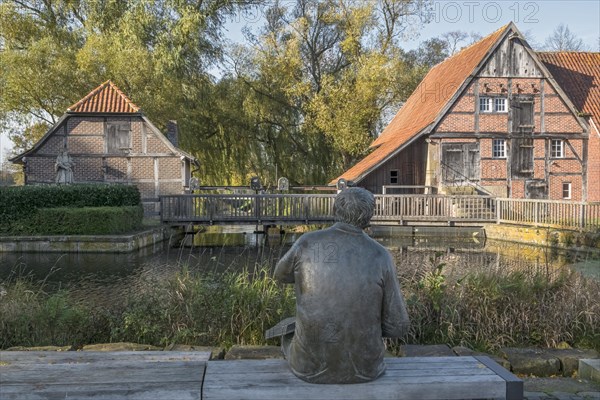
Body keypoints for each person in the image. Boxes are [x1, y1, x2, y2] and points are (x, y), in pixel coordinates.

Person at [274, 187, 410, 384]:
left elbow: (280, 276)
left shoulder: (306, 242)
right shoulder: (381, 255)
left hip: (307, 370)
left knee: (289, 335)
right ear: (368, 217)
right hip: (367, 370)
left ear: (334, 211)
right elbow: (398, 326)